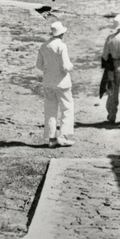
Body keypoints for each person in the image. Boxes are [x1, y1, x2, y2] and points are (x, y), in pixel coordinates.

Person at [35, 20, 74, 148]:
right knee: (67, 108)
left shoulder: (43, 46)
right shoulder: (62, 46)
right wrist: (71, 66)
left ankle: (51, 138)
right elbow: (66, 66)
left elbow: (39, 65)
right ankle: (64, 136)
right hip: (62, 82)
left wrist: (49, 69)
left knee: (50, 110)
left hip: (48, 82)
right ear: (61, 34)